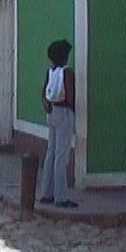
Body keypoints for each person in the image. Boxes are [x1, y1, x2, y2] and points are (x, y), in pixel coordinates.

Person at [40, 39, 78, 208]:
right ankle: (60, 197)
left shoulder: (50, 72)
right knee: (62, 156)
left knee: (51, 153)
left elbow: (43, 94)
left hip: (52, 112)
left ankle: (46, 193)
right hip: (64, 112)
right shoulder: (67, 73)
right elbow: (70, 96)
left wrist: (48, 106)